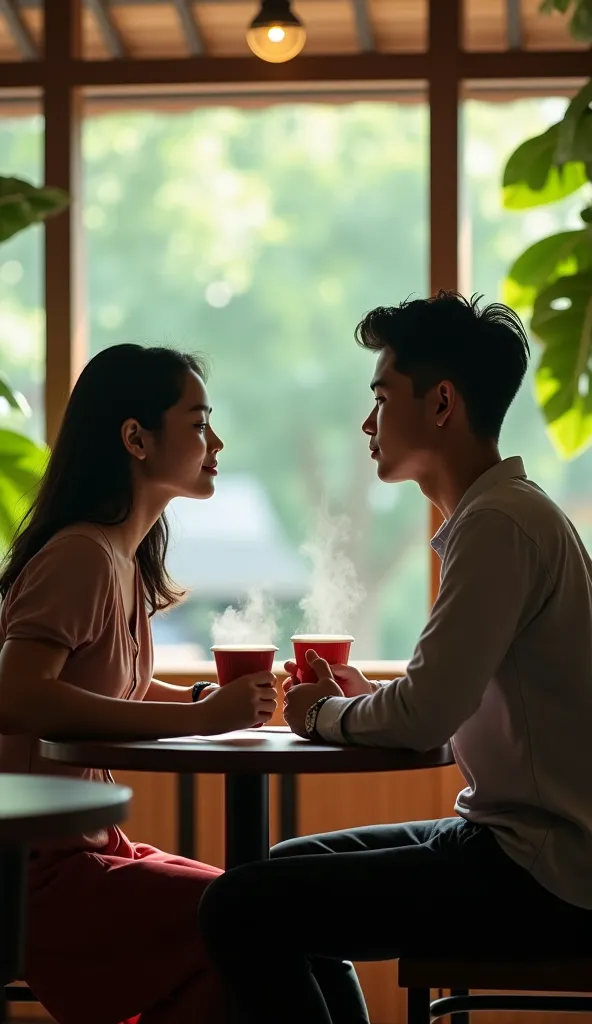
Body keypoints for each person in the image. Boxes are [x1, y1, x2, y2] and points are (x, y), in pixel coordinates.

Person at [198, 291, 592, 1024]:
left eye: (381, 398)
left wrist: (322, 713)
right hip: (509, 841)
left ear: (442, 403)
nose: (366, 423)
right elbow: (450, 709)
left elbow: (426, 716)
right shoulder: (502, 516)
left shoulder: (499, 526)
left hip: (543, 869)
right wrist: (358, 700)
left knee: (236, 907)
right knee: (283, 872)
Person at [0, 344, 278, 1024]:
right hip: (32, 873)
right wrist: (203, 722)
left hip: (88, 851)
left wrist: (202, 704)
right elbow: (18, 696)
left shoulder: (119, 560)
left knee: (273, 922)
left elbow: (110, 687)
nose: (216, 441)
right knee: (255, 922)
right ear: (135, 438)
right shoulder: (82, 557)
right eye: (198, 421)